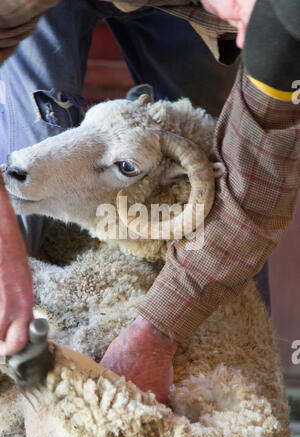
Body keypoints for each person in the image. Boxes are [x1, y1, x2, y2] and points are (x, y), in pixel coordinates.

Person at [0, 0, 299, 405]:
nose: (247, 38)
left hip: (198, 16)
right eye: (256, 16)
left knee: (213, 161)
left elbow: (254, 190)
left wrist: (158, 331)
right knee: (34, 142)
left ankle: (250, 387)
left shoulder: (275, 33)